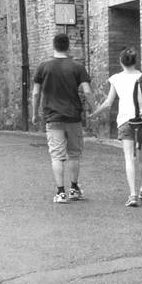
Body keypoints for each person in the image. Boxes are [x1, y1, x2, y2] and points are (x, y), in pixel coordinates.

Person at [30, 33, 93, 204]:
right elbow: (87, 91)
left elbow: (36, 93)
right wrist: (93, 109)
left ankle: (60, 193)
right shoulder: (77, 67)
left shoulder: (43, 67)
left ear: (53, 46)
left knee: (57, 156)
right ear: (68, 47)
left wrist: (35, 113)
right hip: (73, 117)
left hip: (53, 117)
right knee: (74, 154)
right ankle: (74, 189)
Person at [93, 47, 142, 207]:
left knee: (129, 158)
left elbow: (108, 103)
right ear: (136, 61)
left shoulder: (116, 78)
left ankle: (133, 195)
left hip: (125, 121)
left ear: (121, 61)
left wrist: (94, 114)